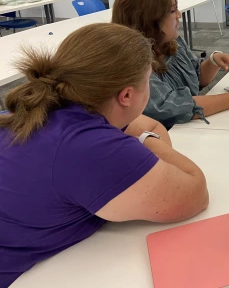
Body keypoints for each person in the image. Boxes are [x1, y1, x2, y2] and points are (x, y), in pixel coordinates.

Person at [0, 23, 209, 287]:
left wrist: (138, 139)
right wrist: (147, 141)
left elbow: (141, 125)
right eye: (148, 81)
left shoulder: (39, 110)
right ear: (126, 95)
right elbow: (195, 192)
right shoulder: (91, 147)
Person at [112, 0, 229, 129]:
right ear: (149, 19)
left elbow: (197, 78)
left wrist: (213, 61)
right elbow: (173, 108)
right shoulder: (133, 63)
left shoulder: (171, 42)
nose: (179, 15)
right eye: (172, 10)